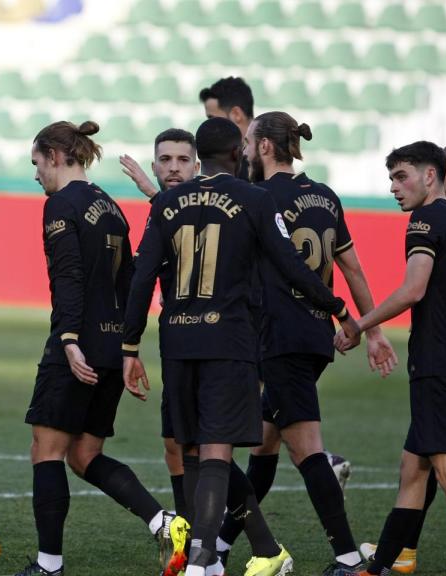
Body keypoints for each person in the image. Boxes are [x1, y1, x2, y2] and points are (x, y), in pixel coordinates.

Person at [121, 117, 358, 576]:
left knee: (190, 448)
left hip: (178, 340)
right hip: (229, 341)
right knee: (216, 452)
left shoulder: (166, 203)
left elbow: (141, 278)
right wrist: (339, 310)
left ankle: (208, 561)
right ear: (236, 153)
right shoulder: (255, 198)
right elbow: (292, 266)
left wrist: (130, 348)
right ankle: (203, 561)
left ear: (199, 156)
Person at [214, 111, 398, 576]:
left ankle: (347, 557)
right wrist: (370, 330)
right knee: (264, 445)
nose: (246, 151)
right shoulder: (325, 196)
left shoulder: (259, 198)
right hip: (316, 337)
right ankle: (218, 548)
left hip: (280, 336)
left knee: (306, 449)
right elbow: (352, 268)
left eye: (250, 142)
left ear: (266, 147)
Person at [10, 121, 188, 576]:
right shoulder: (111, 207)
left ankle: (49, 565)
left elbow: (66, 277)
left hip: (80, 346)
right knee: (85, 454)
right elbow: (130, 282)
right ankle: (162, 520)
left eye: (36, 164)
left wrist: (69, 341)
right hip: (111, 346)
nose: (36, 175)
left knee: (46, 451)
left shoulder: (60, 206)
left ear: (55, 155)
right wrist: (130, 347)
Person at [333, 142, 446, 576]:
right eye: (390, 178)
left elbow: (413, 290)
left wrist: (358, 325)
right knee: (414, 469)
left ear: (430, 176)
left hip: (437, 365)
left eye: (401, 176)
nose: (393, 187)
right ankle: (379, 566)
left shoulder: (425, 220)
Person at [120, 128, 199, 517]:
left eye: (183, 160)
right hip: (177, 341)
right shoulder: (163, 209)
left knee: (207, 447)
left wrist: (154, 194)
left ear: (197, 166)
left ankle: (248, 542)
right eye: (165, 160)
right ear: (154, 165)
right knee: (175, 441)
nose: (173, 167)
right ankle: (189, 527)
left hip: (219, 340)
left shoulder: (213, 204)